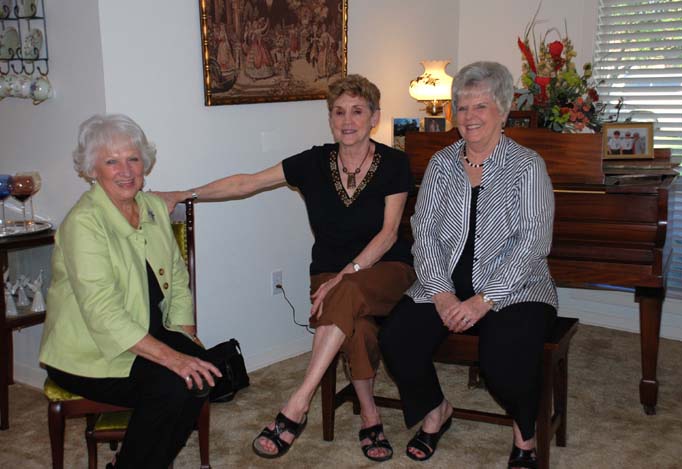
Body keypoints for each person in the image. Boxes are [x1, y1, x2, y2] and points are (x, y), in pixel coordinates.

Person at [156, 74, 416, 462]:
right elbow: (247, 183)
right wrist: (183, 194)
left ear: (374, 117)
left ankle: (298, 403)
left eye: (357, 111)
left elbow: (389, 233)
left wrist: (344, 276)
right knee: (357, 329)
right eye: (338, 112)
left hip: (386, 269)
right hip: (329, 274)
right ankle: (370, 416)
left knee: (344, 292)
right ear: (330, 118)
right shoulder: (313, 162)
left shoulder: (394, 163)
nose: (347, 121)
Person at [379, 62, 558, 468]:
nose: (469, 116)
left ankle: (525, 435)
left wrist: (483, 300)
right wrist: (441, 294)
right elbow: (424, 232)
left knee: (502, 360)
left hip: (516, 288)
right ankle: (436, 409)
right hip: (443, 283)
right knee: (396, 340)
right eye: (462, 107)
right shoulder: (441, 163)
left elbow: (532, 243)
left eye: (481, 106)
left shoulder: (527, 166)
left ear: (503, 110)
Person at [39, 114, 222, 469]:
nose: (125, 171)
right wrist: (174, 358)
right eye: (112, 161)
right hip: (89, 352)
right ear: (92, 170)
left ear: (144, 163)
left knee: (203, 374)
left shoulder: (152, 208)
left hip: (147, 334)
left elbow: (178, 279)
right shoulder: (84, 223)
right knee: (173, 383)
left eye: (133, 159)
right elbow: (103, 314)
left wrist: (184, 338)